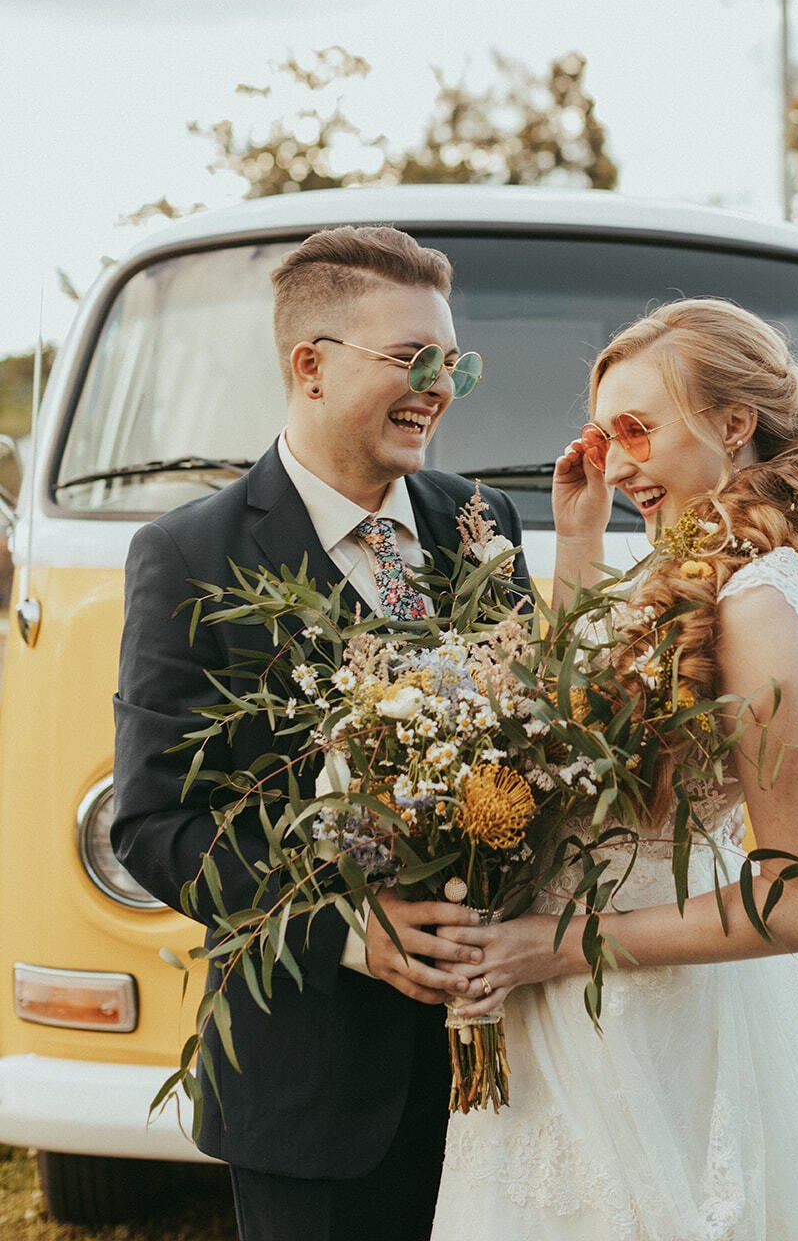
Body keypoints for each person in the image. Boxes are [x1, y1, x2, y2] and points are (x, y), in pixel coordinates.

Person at [111, 224, 529, 1241]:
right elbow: (159, 825)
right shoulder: (188, 557)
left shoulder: (482, 520)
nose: (438, 386)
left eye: (451, 362)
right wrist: (351, 931)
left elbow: (527, 746)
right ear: (309, 364)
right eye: (409, 359)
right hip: (310, 1088)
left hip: (507, 1073)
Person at [431, 298, 798, 1241]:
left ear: (733, 422)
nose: (617, 463)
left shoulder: (757, 605)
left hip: (644, 1007)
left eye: (637, 430)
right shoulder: (696, 564)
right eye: (603, 433)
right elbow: (596, 745)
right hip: (584, 1001)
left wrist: (550, 944)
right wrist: (578, 540)